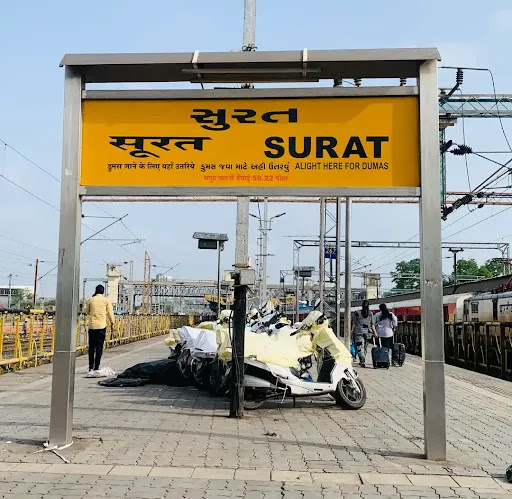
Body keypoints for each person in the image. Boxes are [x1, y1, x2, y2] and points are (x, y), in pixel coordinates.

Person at [85, 285, 114, 374]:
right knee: (99, 347)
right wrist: (112, 323)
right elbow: (110, 313)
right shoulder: (106, 300)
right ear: (103, 291)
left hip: (92, 326)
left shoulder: (91, 300)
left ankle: (90, 367)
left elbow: (87, 311)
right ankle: (96, 367)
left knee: (91, 347)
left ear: (96, 290)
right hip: (101, 327)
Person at [351, 300, 377, 367]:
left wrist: (352, 331)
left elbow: (354, 323)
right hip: (368, 332)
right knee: (365, 347)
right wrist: (375, 332)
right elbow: (372, 324)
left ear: (362, 305)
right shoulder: (370, 313)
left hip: (359, 332)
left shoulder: (357, 313)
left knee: (360, 346)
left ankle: (362, 359)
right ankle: (363, 358)